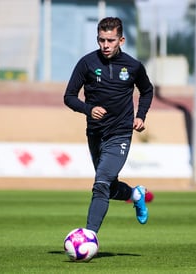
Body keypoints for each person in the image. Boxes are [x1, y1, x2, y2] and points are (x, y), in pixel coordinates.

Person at [64, 17, 154, 234]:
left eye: (110, 40)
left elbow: (147, 90)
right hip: (95, 133)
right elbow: (69, 96)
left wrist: (140, 115)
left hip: (120, 133)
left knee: (101, 184)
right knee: (108, 185)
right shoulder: (86, 63)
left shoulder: (133, 66)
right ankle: (135, 195)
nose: (105, 45)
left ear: (121, 40)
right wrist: (88, 109)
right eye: (101, 40)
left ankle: (89, 236)